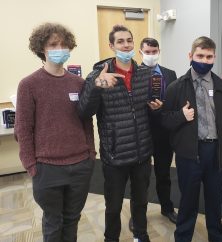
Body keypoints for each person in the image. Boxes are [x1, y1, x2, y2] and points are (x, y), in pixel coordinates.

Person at [78, 25, 162, 242]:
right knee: (113, 205)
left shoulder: (145, 74)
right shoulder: (98, 75)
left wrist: (155, 108)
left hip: (142, 152)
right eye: (121, 41)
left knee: (141, 201)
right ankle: (111, 238)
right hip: (115, 154)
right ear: (111, 46)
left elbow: (147, 107)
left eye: (129, 40)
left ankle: (141, 235)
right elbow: (84, 112)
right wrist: (97, 86)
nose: (126, 45)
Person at [14, 23, 96, 242]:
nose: (60, 48)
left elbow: (87, 122)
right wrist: (31, 165)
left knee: (72, 219)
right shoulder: (28, 85)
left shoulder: (79, 83)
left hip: (80, 165)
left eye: (64, 44)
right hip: (47, 168)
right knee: (53, 222)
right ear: (42, 48)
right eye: (53, 44)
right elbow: (23, 128)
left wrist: (91, 155)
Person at [161, 36, 222, 242]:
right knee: (188, 201)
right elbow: (164, 120)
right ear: (190, 56)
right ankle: (183, 237)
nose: (204, 60)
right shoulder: (176, 87)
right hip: (189, 154)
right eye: (200, 55)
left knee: (215, 200)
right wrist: (181, 116)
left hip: (216, 153)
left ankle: (216, 236)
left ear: (214, 57)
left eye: (209, 57)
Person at [129, 38, 178, 229]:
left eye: (154, 51)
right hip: (141, 133)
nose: (151, 54)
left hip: (164, 134)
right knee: (140, 179)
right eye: (147, 51)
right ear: (140, 52)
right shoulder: (134, 74)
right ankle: (137, 215)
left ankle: (167, 208)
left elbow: (175, 101)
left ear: (159, 51)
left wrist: (165, 106)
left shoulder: (170, 74)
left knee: (164, 175)